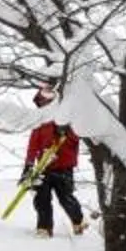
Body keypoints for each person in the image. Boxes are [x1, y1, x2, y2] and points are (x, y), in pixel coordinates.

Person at [20, 83, 87, 239]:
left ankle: (78, 221)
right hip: (43, 167)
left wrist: (66, 131)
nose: (43, 103)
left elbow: (77, 137)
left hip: (64, 166)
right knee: (41, 198)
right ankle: (44, 227)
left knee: (66, 198)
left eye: (46, 101)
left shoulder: (65, 119)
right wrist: (29, 164)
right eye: (41, 101)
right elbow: (33, 145)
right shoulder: (40, 121)